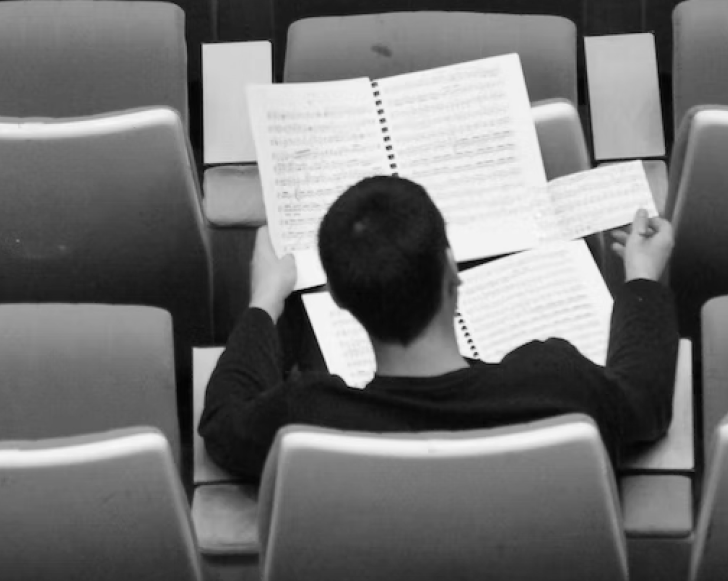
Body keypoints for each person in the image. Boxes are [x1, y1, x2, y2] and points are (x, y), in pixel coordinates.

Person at [199, 174, 679, 481]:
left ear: (340, 300)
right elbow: (645, 399)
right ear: (452, 271)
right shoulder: (558, 386)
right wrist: (641, 277)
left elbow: (222, 423)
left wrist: (265, 300)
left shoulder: (308, 420)